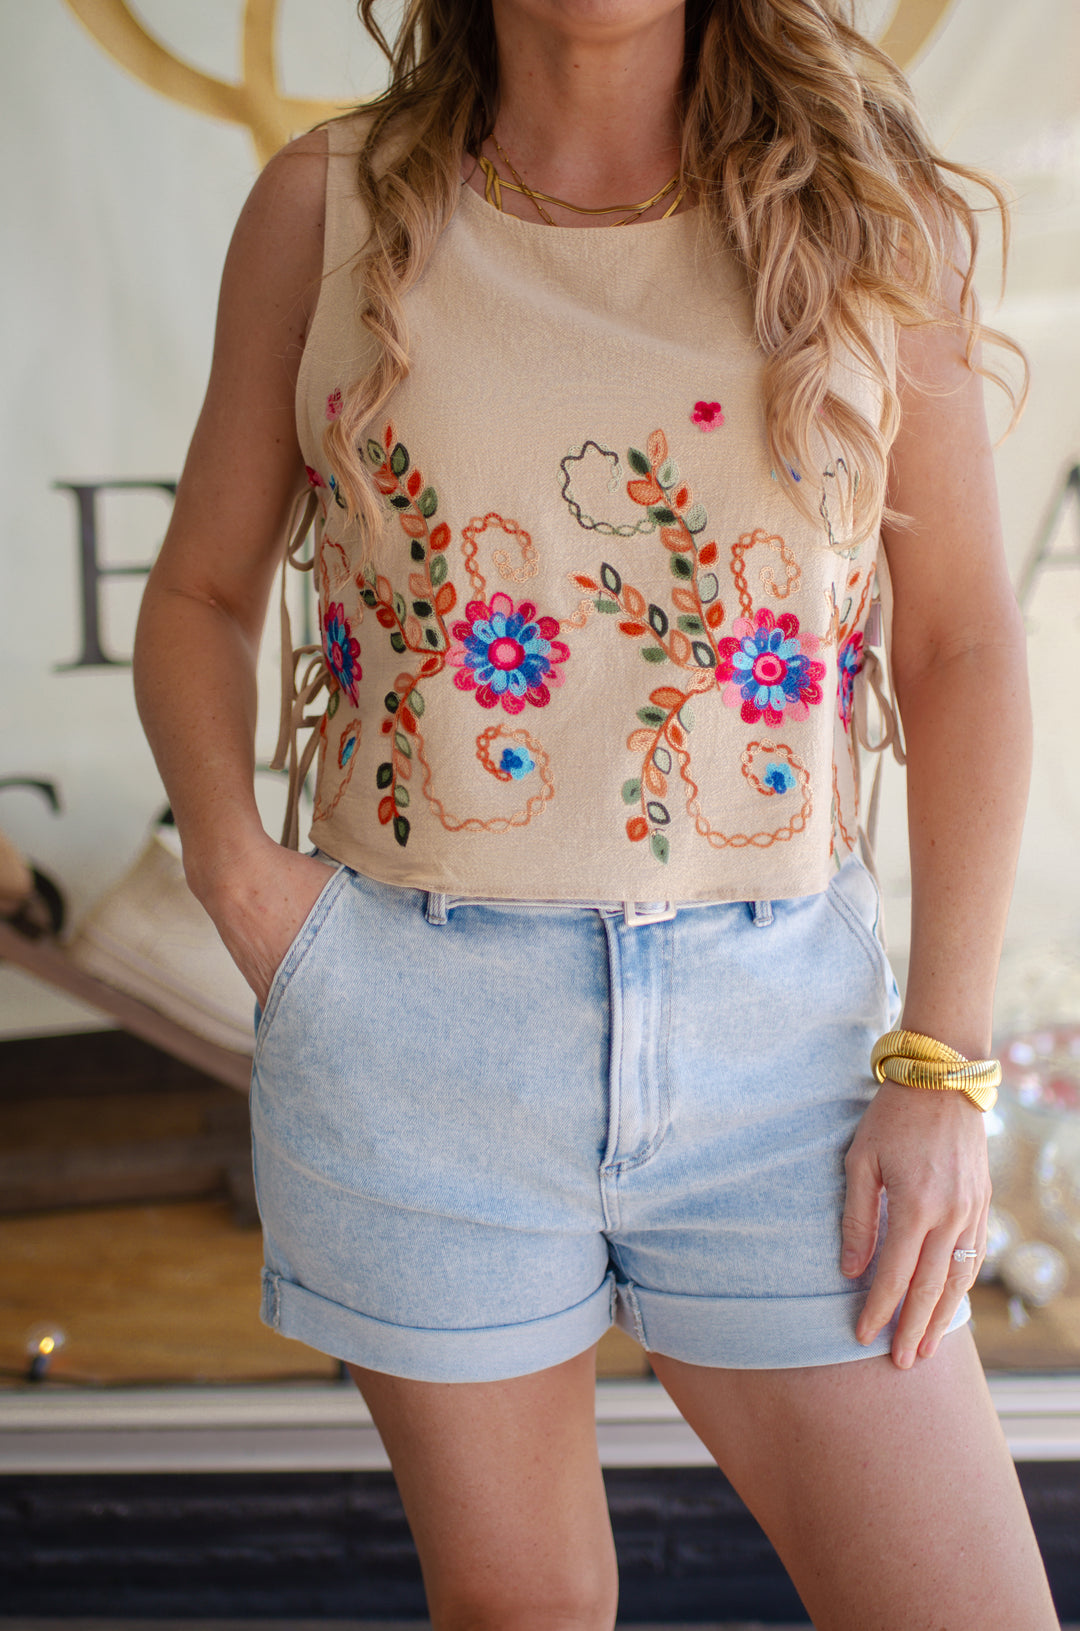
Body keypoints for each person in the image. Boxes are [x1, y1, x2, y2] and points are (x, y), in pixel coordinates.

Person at [133, 1, 1059, 1624]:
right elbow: (203, 590)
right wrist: (245, 884)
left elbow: (966, 645)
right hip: (413, 1038)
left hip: (789, 1057)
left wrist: (943, 1063)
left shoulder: (862, 211)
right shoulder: (327, 203)